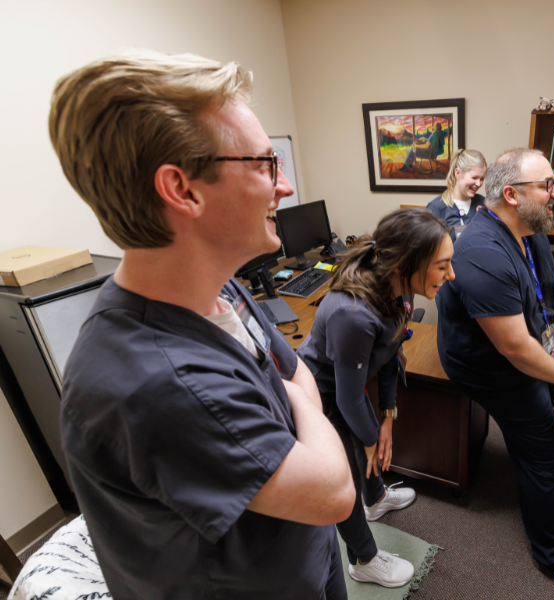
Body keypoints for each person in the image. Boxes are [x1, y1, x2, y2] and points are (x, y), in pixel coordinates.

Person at [50, 51, 355, 600]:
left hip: (305, 558)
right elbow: (332, 489)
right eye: (264, 164)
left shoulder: (221, 288)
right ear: (182, 189)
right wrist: (300, 402)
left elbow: (296, 375)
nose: (283, 188)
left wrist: (295, 397)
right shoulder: (156, 381)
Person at [435, 148, 554, 600]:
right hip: (485, 363)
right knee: (544, 454)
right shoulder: (480, 251)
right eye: (547, 185)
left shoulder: (531, 226)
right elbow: (513, 348)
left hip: (527, 344)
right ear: (511, 194)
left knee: (548, 389)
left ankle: (536, 426)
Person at [297, 208, 454, 588]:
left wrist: (388, 415)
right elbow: (349, 401)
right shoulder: (352, 313)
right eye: (443, 265)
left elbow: (388, 356)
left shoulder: (396, 289)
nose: (451, 275)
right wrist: (369, 439)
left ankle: (376, 498)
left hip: (350, 388)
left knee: (371, 445)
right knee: (344, 477)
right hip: (322, 397)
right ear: (408, 263)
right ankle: (363, 559)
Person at [426, 149, 487, 241]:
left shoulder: (484, 204)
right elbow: (429, 248)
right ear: (458, 173)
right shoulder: (436, 208)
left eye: (482, 179)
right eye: (474, 178)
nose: (479, 184)